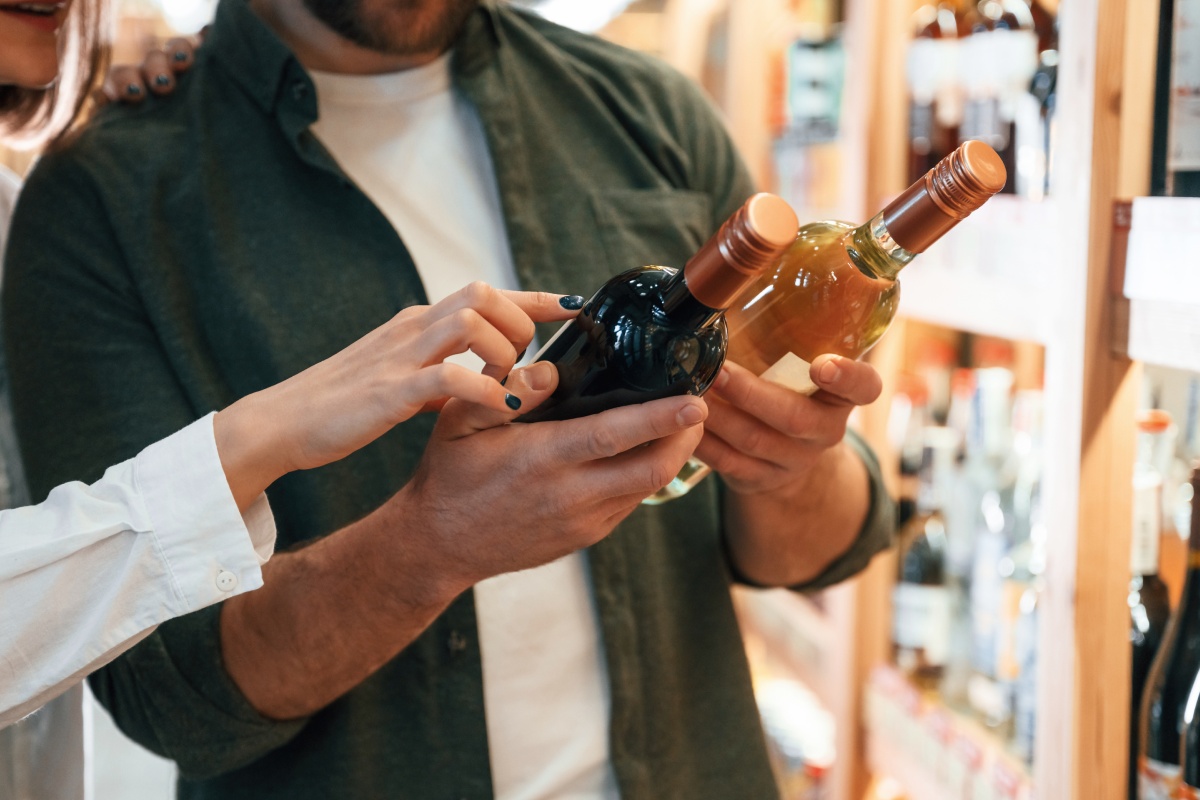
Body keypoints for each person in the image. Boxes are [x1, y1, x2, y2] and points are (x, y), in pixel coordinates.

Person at [3, 1, 896, 798]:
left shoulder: (648, 109)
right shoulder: (103, 194)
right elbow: (167, 696)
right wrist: (428, 545)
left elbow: (818, 550)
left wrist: (790, 470)